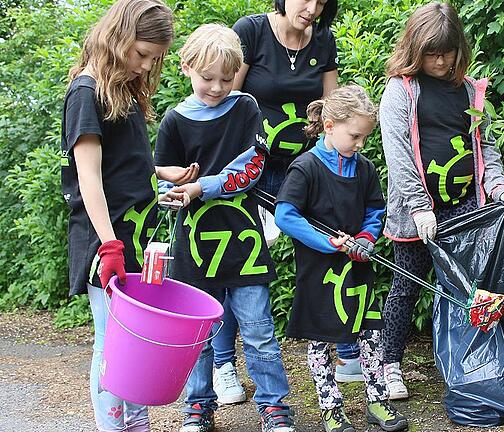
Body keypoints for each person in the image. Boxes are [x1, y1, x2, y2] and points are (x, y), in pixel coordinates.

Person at [206, 0, 364, 399]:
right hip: (250, 170)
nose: (312, 8)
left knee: (329, 248)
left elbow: (334, 113)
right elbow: (227, 99)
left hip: (306, 171)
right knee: (236, 265)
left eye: (322, 1)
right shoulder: (252, 31)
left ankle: (346, 351)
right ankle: (223, 365)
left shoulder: (323, 40)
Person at [153, 24, 294, 432]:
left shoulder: (246, 106)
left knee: (259, 330)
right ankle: (198, 407)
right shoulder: (174, 120)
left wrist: (202, 186)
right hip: (193, 242)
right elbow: (163, 178)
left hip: (243, 239)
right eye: (207, 78)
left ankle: (274, 407)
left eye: (225, 78)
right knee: (197, 333)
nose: (216, 87)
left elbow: (251, 168)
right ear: (186, 68)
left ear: (237, 74)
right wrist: (173, 190)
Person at [378, 1, 504, 400]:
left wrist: (499, 187)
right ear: (414, 49)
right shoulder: (401, 91)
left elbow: (485, 146)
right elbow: (399, 155)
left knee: (471, 290)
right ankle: (389, 364)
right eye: (431, 53)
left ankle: (473, 364)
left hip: (465, 211)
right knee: (406, 287)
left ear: (460, 48)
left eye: (447, 52)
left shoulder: (471, 91)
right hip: (416, 216)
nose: (439, 61)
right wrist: (420, 206)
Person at [60, 0, 176, 430]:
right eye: (141, 54)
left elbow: (122, 162)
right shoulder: (86, 93)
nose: (145, 67)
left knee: (137, 343)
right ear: (119, 37)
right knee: (112, 345)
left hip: (136, 236)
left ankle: (136, 424)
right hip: (105, 241)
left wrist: (161, 172)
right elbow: (88, 178)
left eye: (153, 59)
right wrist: (109, 245)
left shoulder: (120, 89)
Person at [274, 85, 408, 432]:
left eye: (365, 137)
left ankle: (377, 403)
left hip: (358, 272)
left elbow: (376, 210)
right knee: (321, 342)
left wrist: (365, 238)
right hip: (320, 272)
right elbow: (286, 216)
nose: (360, 144)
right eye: (355, 136)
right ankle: (331, 409)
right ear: (329, 125)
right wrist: (328, 242)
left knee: (371, 336)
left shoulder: (364, 168)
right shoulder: (304, 168)